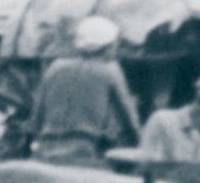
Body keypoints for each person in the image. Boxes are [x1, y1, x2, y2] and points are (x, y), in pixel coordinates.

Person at [29, 15, 139, 158]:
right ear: (107, 46)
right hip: (82, 149)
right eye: (114, 44)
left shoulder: (55, 67)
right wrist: (139, 144)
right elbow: (128, 119)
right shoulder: (110, 70)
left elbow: (37, 117)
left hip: (45, 147)